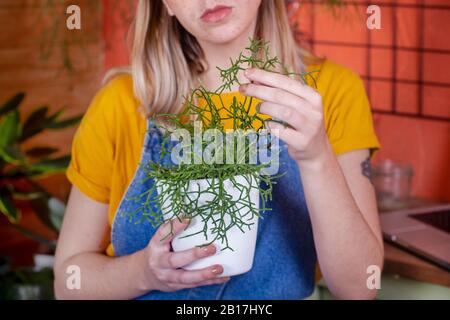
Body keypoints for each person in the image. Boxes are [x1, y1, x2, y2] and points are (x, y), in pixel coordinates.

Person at [54, 0, 383, 300]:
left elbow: (359, 289)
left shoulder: (330, 94)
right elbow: (67, 283)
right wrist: (144, 273)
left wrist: (316, 157)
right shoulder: (120, 104)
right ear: (165, 5)